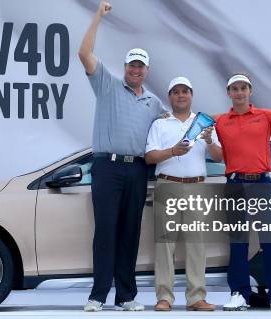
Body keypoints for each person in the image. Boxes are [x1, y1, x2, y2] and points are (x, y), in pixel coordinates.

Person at [78, 0, 167, 312]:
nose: (136, 70)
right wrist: (97, 17)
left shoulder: (155, 104)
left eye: (141, 66)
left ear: (147, 71)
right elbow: (84, 54)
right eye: (132, 64)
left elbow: (172, 130)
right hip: (107, 167)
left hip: (138, 170)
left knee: (130, 232)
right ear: (126, 66)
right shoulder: (108, 85)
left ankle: (126, 296)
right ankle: (98, 295)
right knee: (105, 230)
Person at [216, 74, 271, 311]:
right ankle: (239, 293)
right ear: (228, 93)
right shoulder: (221, 121)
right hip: (235, 185)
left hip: (263, 184)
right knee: (238, 242)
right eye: (234, 88)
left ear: (250, 91)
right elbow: (193, 125)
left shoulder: (265, 116)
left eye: (243, 88)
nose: (239, 92)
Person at [145, 77, 222, 311]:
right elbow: (149, 157)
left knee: (196, 243)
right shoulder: (160, 124)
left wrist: (209, 141)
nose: (180, 95)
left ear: (191, 95)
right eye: (176, 92)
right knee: (164, 244)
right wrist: (172, 151)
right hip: (167, 185)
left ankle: (196, 297)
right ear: (169, 97)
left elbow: (219, 157)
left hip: (197, 186)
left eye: (185, 91)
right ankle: (165, 297)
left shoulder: (205, 125)